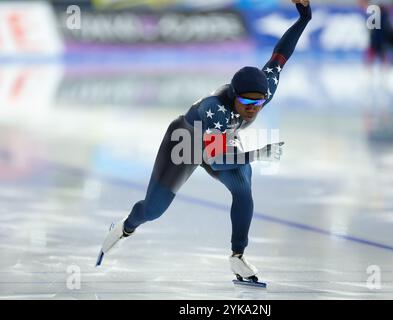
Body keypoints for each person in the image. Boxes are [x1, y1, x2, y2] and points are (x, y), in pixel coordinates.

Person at [97, 0, 312, 285]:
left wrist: (304, 18)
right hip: (185, 142)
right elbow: (217, 158)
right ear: (234, 95)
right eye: (246, 102)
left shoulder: (263, 90)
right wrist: (258, 152)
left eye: (258, 103)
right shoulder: (215, 110)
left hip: (221, 140)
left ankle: (238, 256)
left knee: (243, 188)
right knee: (154, 210)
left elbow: (279, 56)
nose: (252, 108)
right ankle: (125, 227)